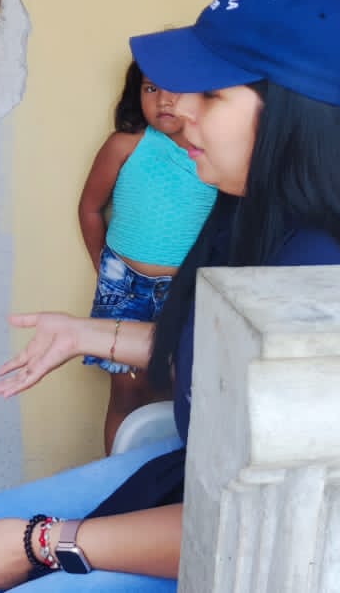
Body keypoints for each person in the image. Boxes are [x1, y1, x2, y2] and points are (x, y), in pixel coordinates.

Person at [0, 0, 340, 590]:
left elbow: (260, 521)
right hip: (203, 477)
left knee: (1, 567)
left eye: (212, 95)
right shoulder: (248, 206)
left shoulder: (324, 277)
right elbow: (219, 359)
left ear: (291, 114)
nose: (182, 114)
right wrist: (87, 334)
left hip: (256, 547)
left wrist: (45, 542)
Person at [76, 61, 215, 453]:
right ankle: (118, 478)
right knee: (126, 392)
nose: (164, 101)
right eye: (151, 88)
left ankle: (172, 482)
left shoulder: (213, 153)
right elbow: (90, 208)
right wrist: (104, 270)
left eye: (177, 88)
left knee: (183, 391)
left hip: (189, 291)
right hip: (124, 287)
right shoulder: (126, 145)